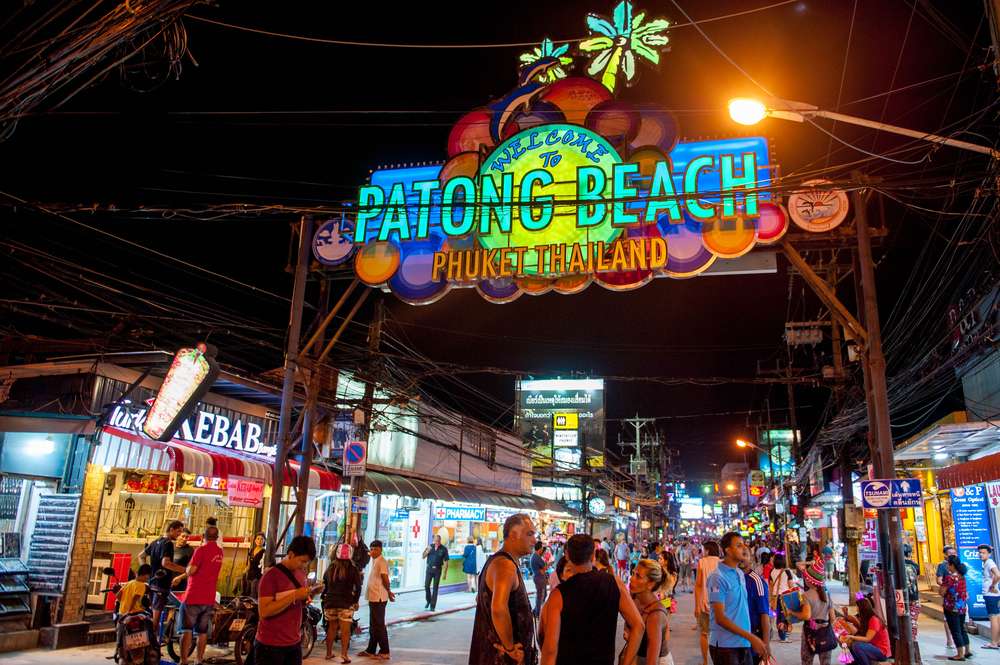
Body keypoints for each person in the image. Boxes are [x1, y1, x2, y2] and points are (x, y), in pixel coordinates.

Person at [538, 534, 644, 665]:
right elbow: (638, 626)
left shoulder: (558, 595)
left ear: (567, 556)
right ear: (593, 554)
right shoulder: (613, 582)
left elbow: (550, 649)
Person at [468, 513, 537, 665]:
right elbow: (498, 609)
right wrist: (510, 649)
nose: (534, 540)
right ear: (513, 535)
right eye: (529, 534)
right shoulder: (505, 565)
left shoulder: (501, 562)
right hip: (501, 659)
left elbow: (481, 600)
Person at [255, 535, 324, 665]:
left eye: (307, 562)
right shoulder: (271, 576)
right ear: (291, 554)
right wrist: (294, 595)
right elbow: (264, 611)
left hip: (294, 643)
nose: (304, 565)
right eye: (302, 561)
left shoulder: (300, 574)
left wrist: (312, 593)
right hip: (270, 645)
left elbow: (300, 604)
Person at [706, 533, 768, 665]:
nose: (744, 548)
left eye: (744, 544)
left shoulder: (739, 573)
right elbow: (720, 618)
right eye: (739, 545)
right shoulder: (717, 577)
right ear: (728, 550)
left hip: (743, 643)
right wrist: (751, 637)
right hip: (726, 646)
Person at [178, 522, 224, 665]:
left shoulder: (201, 550)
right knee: (202, 632)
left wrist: (186, 570)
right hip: (209, 597)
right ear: (217, 537)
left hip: (193, 595)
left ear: (203, 536)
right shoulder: (220, 553)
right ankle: (199, 659)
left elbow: (192, 570)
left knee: (186, 630)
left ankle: (184, 660)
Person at [140, 519, 186, 633]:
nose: (179, 534)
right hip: (161, 585)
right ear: (171, 529)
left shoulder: (156, 541)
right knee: (155, 617)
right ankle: (152, 641)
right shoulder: (168, 543)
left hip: (152, 583)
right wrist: (185, 570)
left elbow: (141, 556)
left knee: (152, 613)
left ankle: (149, 638)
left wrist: (146, 572)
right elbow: (166, 563)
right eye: (178, 531)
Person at [787, 559, 834, 665]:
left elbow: (806, 616)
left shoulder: (807, 595)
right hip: (825, 632)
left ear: (810, 580)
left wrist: (792, 612)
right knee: (826, 662)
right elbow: (833, 618)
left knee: (807, 661)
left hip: (810, 633)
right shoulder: (827, 594)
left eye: (806, 577)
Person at [322, 550, 363, 663]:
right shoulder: (353, 568)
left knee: (331, 628)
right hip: (346, 603)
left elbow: (325, 582)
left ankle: (328, 653)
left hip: (330, 602)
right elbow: (358, 587)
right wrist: (355, 601)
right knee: (345, 631)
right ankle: (344, 654)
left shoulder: (331, 567)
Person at [630, 558, 672, 665]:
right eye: (633, 573)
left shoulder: (655, 615)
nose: (631, 578)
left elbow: (652, 661)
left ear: (651, 584)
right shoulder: (634, 598)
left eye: (638, 576)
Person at [359, 540, 395, 660]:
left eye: (375, 549)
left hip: (379, 597)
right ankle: (371, 649)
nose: (372, 551)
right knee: (373, 625)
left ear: (380, 550)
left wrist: (389, 591)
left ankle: (385, 651)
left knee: (379, 625)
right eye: (371, 549)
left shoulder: (382, 561)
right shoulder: (375, 561)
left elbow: (385, 578)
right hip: (373, 597)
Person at [939, 554, 971, 661]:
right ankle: (967, 651)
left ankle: (960, 654)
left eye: (948, 564)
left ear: (952, 565)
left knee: (955, 630)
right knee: (962, 629)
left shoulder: (950, 578)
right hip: (962, 607)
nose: (947, 566)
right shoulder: (962, 576)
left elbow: (942, 592)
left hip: (951, 607)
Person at [739, 556, 770, 665]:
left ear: (751, 559)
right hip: (735, 638)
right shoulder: (732, 578)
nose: (741, 557)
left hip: (753, 637)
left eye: (745, 554)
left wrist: (766, 644)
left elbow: (764, 614)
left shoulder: (757, 581)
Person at [694, 541, 721, 665]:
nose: (702, 552)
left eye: (703, 550)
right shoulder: (721, 563)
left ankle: (705, 661)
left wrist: (697, 605)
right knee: (719, 634)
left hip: (705, 602)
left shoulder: (702, 562)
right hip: (719, 604)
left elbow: (698, 585)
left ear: (708, 550)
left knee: (704, 634)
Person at [842, 597, 891, 665]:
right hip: (872, 647)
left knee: (856, 645)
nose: (856, 609)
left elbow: (867, 638)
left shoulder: (874, 620)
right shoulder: (866, 619)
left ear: (862, 608)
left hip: (882, 652)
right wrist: (846, 615)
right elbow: (854, 623)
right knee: (849, 649)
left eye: (857, 607)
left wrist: (851, 637)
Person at [768, 553, 795, 643]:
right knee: (786, 616)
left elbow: (770, 586)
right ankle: (785, 637)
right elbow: (791, 585)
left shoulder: (771, 572)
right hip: (785, 596)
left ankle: (781, 636)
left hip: (776, 597)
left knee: (779, 616)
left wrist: (770, 598)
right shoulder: (787, 572)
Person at [937, 546, 959, 652]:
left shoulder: (959, 565)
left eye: (954, 553)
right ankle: (950, 640)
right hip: (949, 597)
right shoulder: (942, 566)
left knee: (960, 618)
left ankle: (960, 641)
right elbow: (939, 580)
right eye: (950, 553)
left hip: (960, 597)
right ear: (945, 555)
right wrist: (947, 587)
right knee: (948, 618)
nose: (953, 555)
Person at [979, 544, 1000, 649]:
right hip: (993, 595)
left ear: (989, 554)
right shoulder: (986, 563)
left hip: (991, 595)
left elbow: (998, 575)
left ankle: (994, 642)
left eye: (983, 553)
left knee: (993, 618)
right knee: (997, 617)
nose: (981, 554)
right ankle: (997, 641)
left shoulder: (989, 562)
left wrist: (992, 586)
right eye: (980, 552)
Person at [423, 534, 449, 611]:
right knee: (426, 586)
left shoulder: (444, 549)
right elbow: (423, 556)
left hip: (438, 570)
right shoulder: (430, 547)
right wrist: (427, 551)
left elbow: (446, 562)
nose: (437, 542)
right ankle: (428, 600)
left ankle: (432, 606)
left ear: (440, 540)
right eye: (435, 541)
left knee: (435, 588)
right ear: (433, 540)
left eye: (438, 541)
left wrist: (445, 573)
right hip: (429, 569)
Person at [531, 541, 548, 618]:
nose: (542, 549)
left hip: (539, 577)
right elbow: (544, 567)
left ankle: (536, 611)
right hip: (539, 578)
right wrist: (545, 567)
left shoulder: (535, 556)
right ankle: (537, 612)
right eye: (542, 547)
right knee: (540, 596)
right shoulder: (536, 557)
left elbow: (543, 568)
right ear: (540, 548)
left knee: (542, 595)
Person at [246, 533, 266, 597]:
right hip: (250, 574)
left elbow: (264, 566)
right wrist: (245, 571)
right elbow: (249, 563)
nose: (259, 541)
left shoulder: (264, 552)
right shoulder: (252, 550)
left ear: (264, 541)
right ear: (255, 540)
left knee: (253, 594)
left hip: (257, 575)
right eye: (258, 539)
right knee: (247, 592)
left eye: (262, 539)